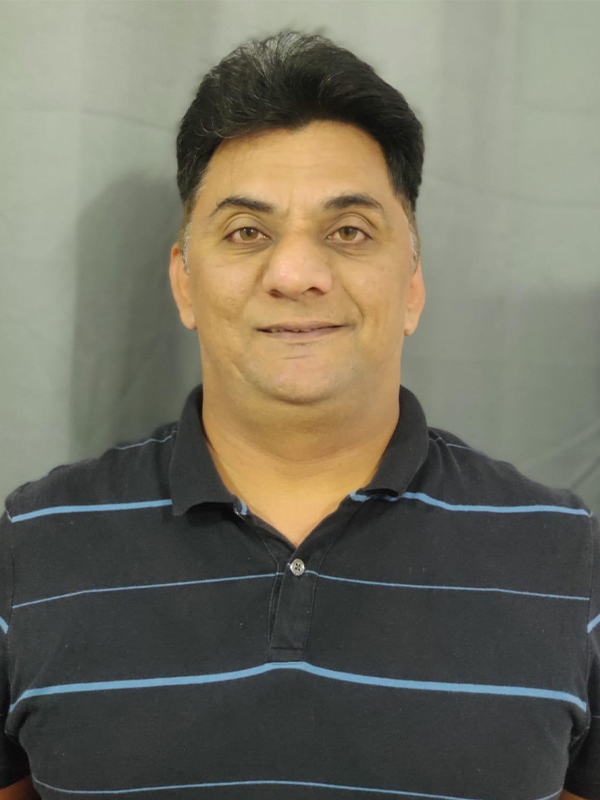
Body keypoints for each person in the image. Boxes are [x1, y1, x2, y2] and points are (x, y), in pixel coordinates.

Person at [0, 29, 598, 800]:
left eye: (349, 231)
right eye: (247, 232)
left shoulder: (565, 557)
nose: (295, 273)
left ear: (412, 284)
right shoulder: (32, 546)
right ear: (184, 282)